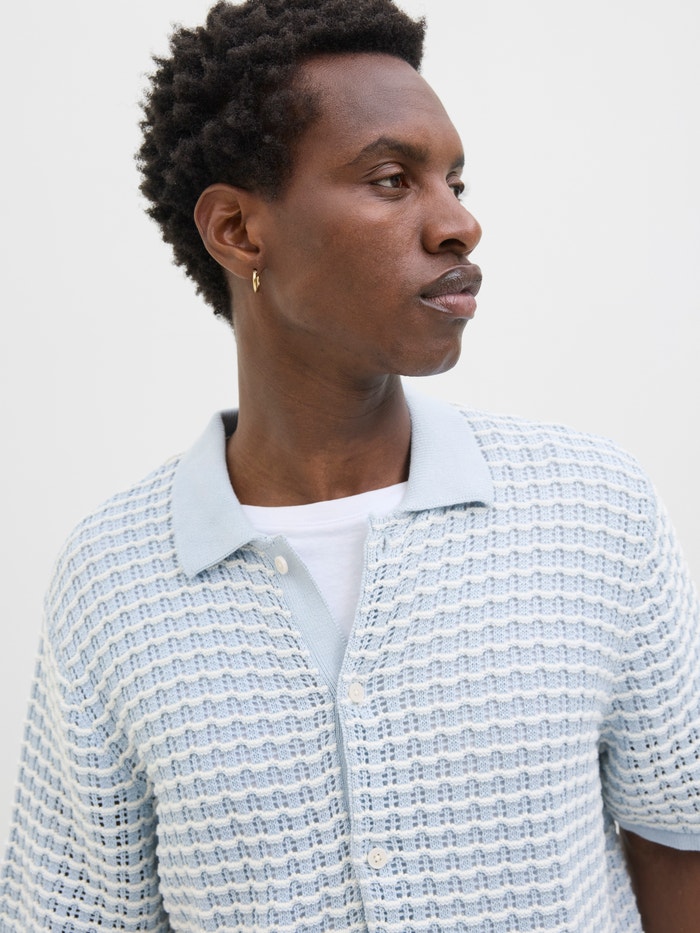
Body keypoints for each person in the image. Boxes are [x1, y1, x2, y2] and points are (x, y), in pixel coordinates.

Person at [1, 0, 699, 929]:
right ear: (238, 231)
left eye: (455, 180)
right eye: (391, 180)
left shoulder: (592, 509)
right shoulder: (113, 581)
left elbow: (679, 839)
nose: (460, 224)